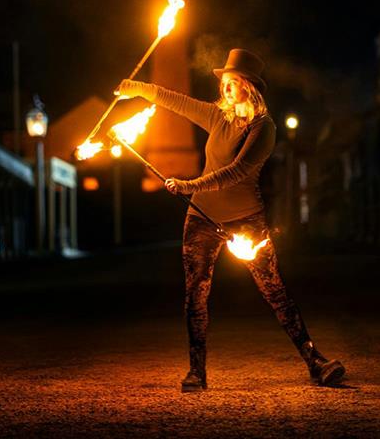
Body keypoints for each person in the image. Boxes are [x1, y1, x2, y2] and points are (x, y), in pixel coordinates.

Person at [117, 48, 345, 392]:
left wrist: (189, 184)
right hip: (201, 219)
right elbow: (171, 98)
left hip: (246, 220)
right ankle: (197, 372)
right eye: (223, 81)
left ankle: (316, 362)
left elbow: (236, 173)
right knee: (196, 293)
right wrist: (136, 87)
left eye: (232, 82)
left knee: (275, 292)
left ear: (249, 86)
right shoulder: (216, 117)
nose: (224, 87)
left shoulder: (263, 128)